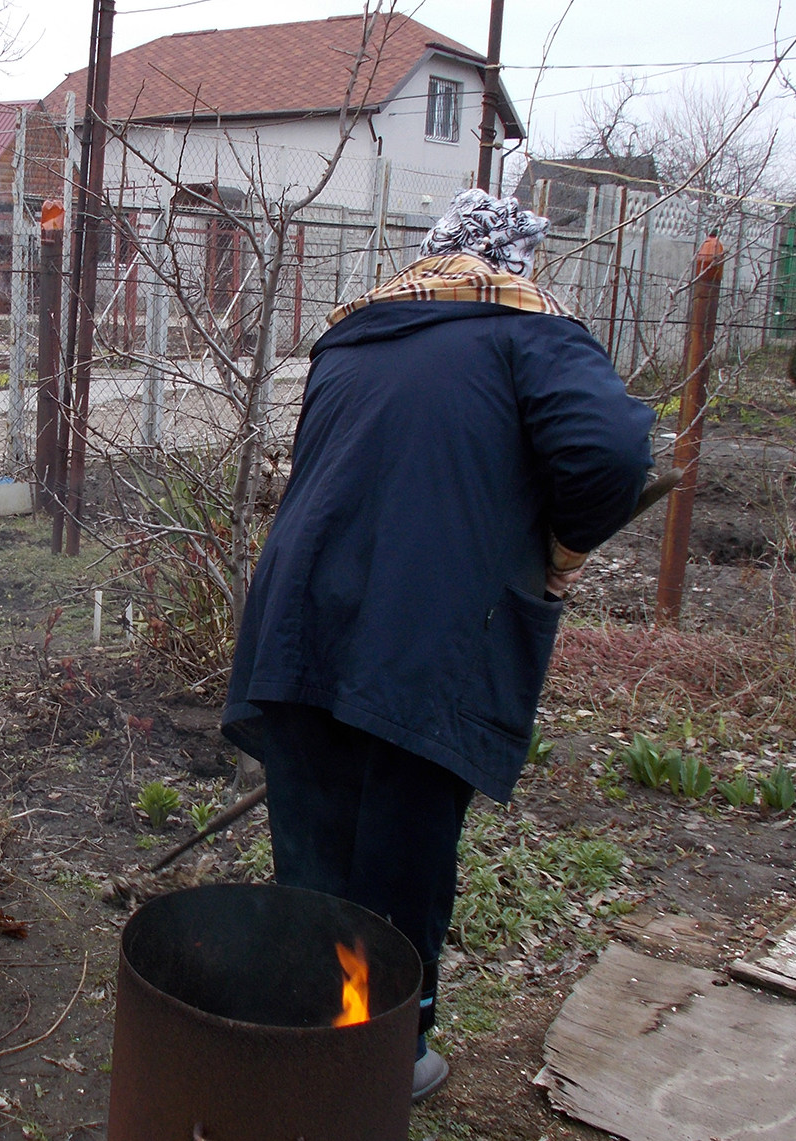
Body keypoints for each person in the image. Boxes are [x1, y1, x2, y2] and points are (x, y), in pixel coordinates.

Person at [220, 189, 655, 1102]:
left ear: (432, 256)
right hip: (424, 632)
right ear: (513, 266)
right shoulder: (533, 335)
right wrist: (561, 549)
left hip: (299, 615)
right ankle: (383, 1053)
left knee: (312, 833)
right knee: (403, 847)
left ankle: (313, 1019)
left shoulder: (353, 335)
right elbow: (613, 456)